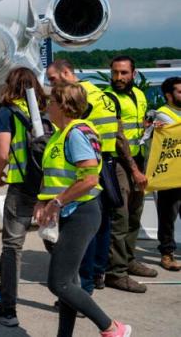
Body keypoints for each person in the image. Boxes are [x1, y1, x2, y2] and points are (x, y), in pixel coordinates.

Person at [34, 82, 131, 337]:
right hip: (65, 213)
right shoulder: (60, 133)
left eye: (51, 102)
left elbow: (89, 179)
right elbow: (55, 176)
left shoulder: (77, 133)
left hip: (80, 212)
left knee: (60, 283)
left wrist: (56, 202)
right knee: (71, 282)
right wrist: (41, 201)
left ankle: (111, 328)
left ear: (63, 105)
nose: (47, 107)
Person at [47, 59, 122, 294]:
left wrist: (58, 200)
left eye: (52, 79)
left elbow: (87, 175)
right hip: (105, 158)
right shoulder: (100, 93)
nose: (51, 84)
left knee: (86, 234)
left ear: (67, 73)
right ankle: (97, 273)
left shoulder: (76, 106)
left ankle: (84, 285)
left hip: (86, 167)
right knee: (102, 225)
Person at [0, 67, 46, 327]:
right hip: (51, 185)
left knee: (12, 247)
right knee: (57, 243)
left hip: (22, 185)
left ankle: (8, 309)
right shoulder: (48, 110)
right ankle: (72, 295)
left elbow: (2, 153)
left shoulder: (7, 112)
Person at [103, 56, 157, 292]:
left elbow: (137, 128)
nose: (119, 78)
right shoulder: (109, 98)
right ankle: (115, 273)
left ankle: (129, 259)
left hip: (137, 159)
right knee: (120, 217)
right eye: (115, 73)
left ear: (133, 74)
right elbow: (118, 137)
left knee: (135, 212)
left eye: (124, 73)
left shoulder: (139, 95)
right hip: (118, 163)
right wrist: (134, 170)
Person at [153, 76, 181, 271]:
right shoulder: (163, 115)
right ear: (169, 95)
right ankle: (167, 252)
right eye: (180, 91)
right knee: (168, 216)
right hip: (170, 175)